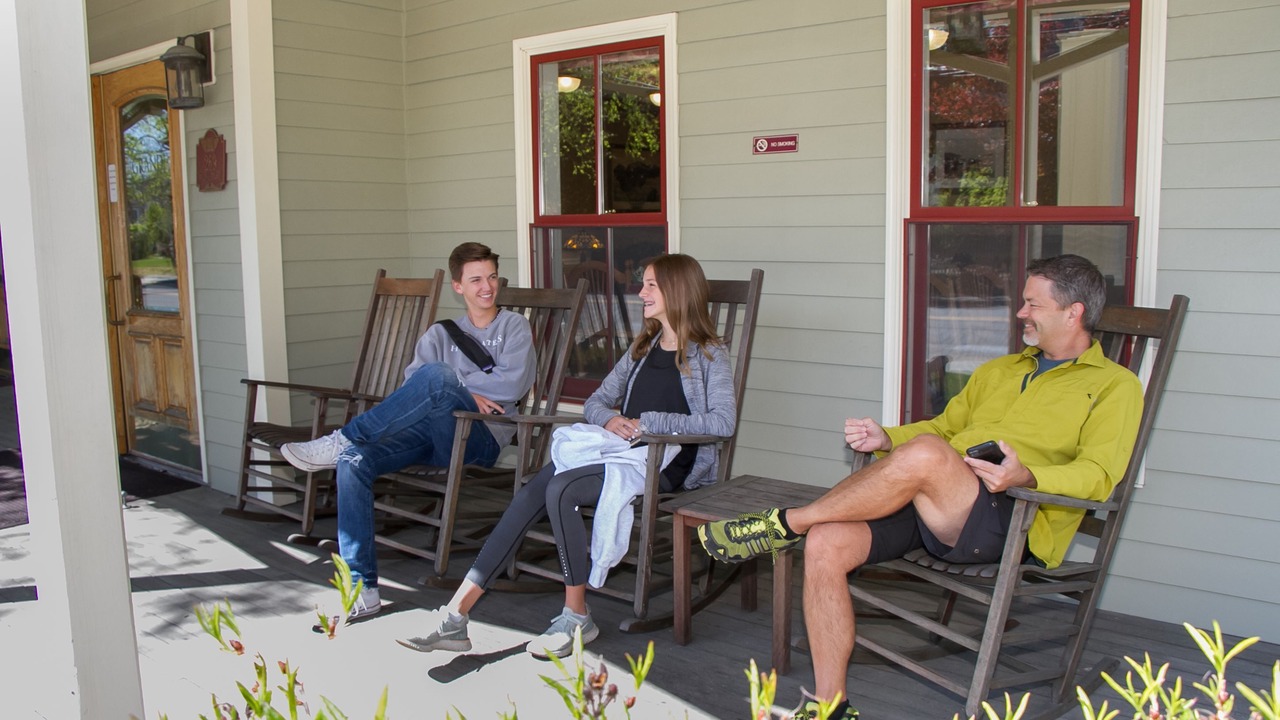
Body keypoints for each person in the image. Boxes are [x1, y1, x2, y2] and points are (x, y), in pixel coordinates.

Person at [697, 254, 1143, 720]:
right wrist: (888, 438)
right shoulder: (1001, 370)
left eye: (1032, 304)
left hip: (1011, 519)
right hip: (935, 501)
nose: (1020, 313)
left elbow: (1098, 475)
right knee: (827, 542)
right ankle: (831, 705)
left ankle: (786, 522)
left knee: (927, 454)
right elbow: (945, 427)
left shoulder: (1115, 386)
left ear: (1072, 312)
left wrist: (1027, 476)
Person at [396, 253, 736, 659]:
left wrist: (648, 422)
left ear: (677, 291)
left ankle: (577, 615)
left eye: (650, 285)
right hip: (619, 451)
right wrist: (611, 419)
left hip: (664, 464)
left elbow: (722, 422)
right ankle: (457, 613)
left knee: (561, 487)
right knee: (532, 491)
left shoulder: (709, 354)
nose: (640, 292)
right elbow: (596, 402)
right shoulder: (641, 349)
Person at [280, 242, 536, 621]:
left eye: (493, 277)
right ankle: (362, 588)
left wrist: (457, 388)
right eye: (476, 279)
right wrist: (471, 389)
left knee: (439, 377)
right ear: (458, 287)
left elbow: (512, 385)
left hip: (479, 439)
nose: (487, 286)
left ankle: (343, 436)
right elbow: (413, 384)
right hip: (428, 435)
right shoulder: (440, 333)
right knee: (354, 461)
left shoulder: (514, 326)